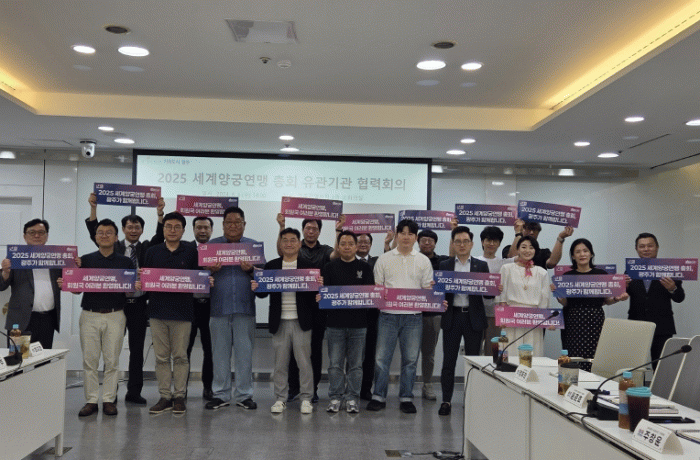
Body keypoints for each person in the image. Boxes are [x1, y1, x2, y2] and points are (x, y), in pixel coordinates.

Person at [85, 192, 165, 405]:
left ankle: (134, 392)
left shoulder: (147, 247)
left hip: (139, 305)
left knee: (137, 350)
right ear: (122, 230)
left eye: (137, 227)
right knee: (111, 351)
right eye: (129, 227)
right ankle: (109, 393)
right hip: (117, 305)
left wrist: (160, 214)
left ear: (142, 230)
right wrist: (93, 208)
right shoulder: (114, 246)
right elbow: (95, 232)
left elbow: (160, 236)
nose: (133, 230)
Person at [65, 219, 135, 417]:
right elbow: (77, 290)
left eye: (108, 232)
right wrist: (68, 281)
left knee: (112, 361)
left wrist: (134, 285)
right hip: (89, 315)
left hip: (115, 315)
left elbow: (129, 292)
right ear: (95, 237)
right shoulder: (85, 260)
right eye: (100, 233)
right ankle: (91, 400)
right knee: (90, 361)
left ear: (116, 237)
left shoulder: (125, 262)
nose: (104, 236)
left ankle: (109, 400)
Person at [367, 219, 433, 414]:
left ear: (416, 237)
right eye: (402, 233)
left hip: (413, 317)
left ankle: (406, 397)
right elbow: (378, 287)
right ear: (396, 235)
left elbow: (427, 290)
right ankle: (378, 396)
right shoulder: (384, 259)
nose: (406, 237)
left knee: (410, 360)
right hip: (387, 316)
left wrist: (436, 300)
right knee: (381, 359)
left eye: (410, 233)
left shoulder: (423, 260)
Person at [253, 228, 319, 414]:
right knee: (280, 364)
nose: (289, 244)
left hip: (301, 321)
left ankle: (306, 399)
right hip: (279, 321)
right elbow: (263, 294)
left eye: (293, 240)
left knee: (304, 363)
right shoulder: (272, 265)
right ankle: (280, 399)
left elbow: (314, 296)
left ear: (299, 243)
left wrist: (319, 287)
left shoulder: (308, 266)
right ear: (280, 244)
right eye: (285, 240)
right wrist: (257, 287)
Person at [276, 215, 340, 403]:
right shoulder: (296, 247)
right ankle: (293, 388)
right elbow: (281, 251)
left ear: (319, 232)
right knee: (292, 351)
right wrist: (281, 226)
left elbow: (336, 255)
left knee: (314, 351)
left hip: (318, 307)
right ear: (303, 230)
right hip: (297, 306)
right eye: (308, 228)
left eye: (315, 229)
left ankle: (313, 389)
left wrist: (338, 230)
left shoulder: (325, 250)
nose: (311, 231)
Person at [143, 212, 201, 415]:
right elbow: (146, 279)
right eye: (169, 226)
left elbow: (199, 278)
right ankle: (165, 396)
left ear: (183, 230)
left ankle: (179, 396)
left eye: (177, 227)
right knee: (161, 357)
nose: (173, 230)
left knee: (180, 357)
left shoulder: (192, 252)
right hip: (157, 312)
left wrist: (206, 280)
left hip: (183, 312)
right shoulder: (152, 251)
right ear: (163, 229)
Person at [205, 207, 259, 411]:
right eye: (229, 222)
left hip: (245, 309)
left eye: (238, 222)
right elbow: (199, 278)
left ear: (244, 224)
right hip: (218, 308)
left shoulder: (253, 247)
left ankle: (245, 395)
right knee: (219, 355)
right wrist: (209, 271)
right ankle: (220, 394)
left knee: (245, 355)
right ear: (223, 225)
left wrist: (251, 270)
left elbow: (263, 278)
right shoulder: (211, 246)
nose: (233, 226)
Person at [438, 226, 490, 416]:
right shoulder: (444, 265)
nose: (462, 245)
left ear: (472, 244)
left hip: (473, 318)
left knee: (473, 361)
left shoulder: (480, 266)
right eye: (458, 241)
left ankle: (471, 400)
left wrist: (494, 288)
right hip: (452, 316)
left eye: (465, 241)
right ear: (453, 244)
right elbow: (438, 292)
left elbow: (488, 295)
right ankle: (446, 400)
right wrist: (438, 299)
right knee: (448, 361)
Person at [554, 238, 628, 371]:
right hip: (572, 320)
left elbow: (607, 300)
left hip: (594, 320)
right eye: (578, 252)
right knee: (572, 356)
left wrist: (617, 298)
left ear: (591, 254)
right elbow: (565, 303)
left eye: (585, 251)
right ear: (573, 256)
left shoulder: (601, 274)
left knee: (594, 355)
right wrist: (558, 294)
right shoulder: (567, 276)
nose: (582, 254)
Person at [321, 230, 374, 413]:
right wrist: (322, 296)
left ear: (356, 246)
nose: (347, 247)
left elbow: (370, 295)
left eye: (351, 243)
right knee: (335, 364)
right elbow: (325, 293)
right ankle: (335, 397)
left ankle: (352, 398)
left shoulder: (365, 268)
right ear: (338, 246)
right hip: (335, 324)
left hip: (359, 325)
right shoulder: (329, 267)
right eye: (343, 243)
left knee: (356, 365)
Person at [625, 233, 685, 366]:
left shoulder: (669, 269)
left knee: (660, 366)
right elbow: (623, 295)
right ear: (636, 249)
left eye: (650, 246)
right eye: (642, 246)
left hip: (662, 326)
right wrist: (623, 286)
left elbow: (680, 297)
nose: (646, 249)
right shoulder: (630, 271)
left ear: (657, 247)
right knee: (634, 366)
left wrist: (673, 288)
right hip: (636, 324)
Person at [1, 219, 61, 349]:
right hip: (20, 321)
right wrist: (5, 272)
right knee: (20, 357)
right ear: (25, 236)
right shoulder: (15, 257)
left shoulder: (57, 258)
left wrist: (76, 266)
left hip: (47, 320)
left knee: (43, 358)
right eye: (32, 232)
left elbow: (70, 282)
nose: (37, 235)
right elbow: (1, 285)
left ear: (47, 236)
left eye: (41, 232)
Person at [496, 236, 551, 355]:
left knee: (532, 353)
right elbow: (501, 296)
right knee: (511, 352)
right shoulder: (507, 268)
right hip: (512, 317)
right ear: (518, 249)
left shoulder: (542, 272)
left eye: (531, 247)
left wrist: (543, 320)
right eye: (524, 247)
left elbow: (544, 299)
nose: (527, 250)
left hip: (533, 319)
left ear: (535, 250)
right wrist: (502, 317)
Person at [416, 229, 450, 401]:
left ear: (435, 243)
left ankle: (427, 384)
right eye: (424, 240)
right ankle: (406, 387)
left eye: (430, 240)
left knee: (429, 353)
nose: (427, 243)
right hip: (411, 312)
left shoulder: (442, 261)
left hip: (432, 314)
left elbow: (454, 259)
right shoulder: (411, 259)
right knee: (410, 354)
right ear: (418, 242)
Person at [475, 226, 515, 354]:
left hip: (495, 314)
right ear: (482, 242)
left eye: (495, 241)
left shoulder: (504, 263)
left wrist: (518, 232)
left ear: (499, 243)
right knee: (474, 349)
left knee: (493, 351)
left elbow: (519, 256)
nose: (491, 244)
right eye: (488, 240)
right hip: (476, 312)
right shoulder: (474, 261)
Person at [187, 216, 214, 401]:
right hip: (188, 306)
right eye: (199, 227)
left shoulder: (219, 251)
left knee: (210, 350)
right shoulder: (186, 249)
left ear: (211, 230)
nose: (202, 231)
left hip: (211, 307)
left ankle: (208, 387)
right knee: (184, 350)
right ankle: (181, 389)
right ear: (193, 229)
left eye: (206, 227)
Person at [505, 220, 573, 269]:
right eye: (528, 229)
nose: (531, 232)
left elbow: (552, 263)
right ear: (523, 229)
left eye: (535, 230)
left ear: (538, 232)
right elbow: (512, 258)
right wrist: (518, 233)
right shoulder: (509, 249)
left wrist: (561, 238)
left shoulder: (543, 253)